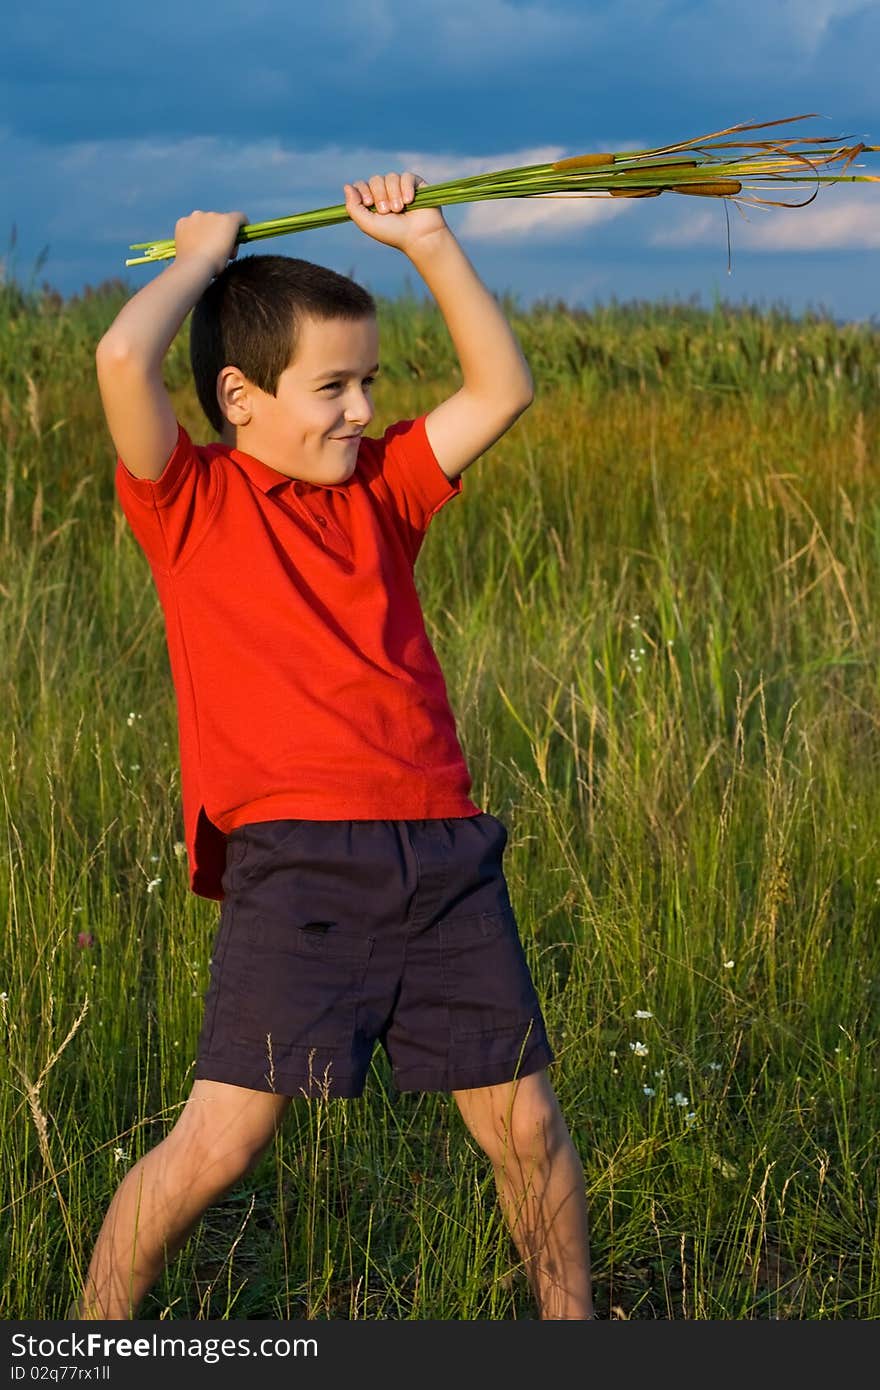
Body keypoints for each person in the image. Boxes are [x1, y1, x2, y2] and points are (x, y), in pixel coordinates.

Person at [74, 170, 593, 1320]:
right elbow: (122, 363)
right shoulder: (190, 501)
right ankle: (86, 1338)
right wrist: (199, 265)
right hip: (297, 861)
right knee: (222, 1140)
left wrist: (431, 244)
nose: (361, 409)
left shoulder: (386, 493)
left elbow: (501, 386)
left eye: (369, 381)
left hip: (444, 854)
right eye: (333, 386)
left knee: (525, 1127)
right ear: (239, 396)